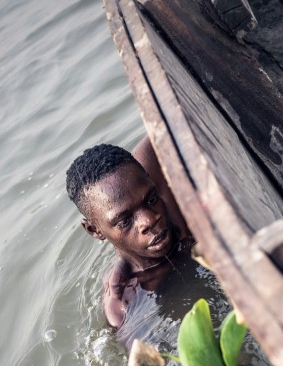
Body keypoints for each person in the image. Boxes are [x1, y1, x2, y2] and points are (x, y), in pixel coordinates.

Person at [66, 137, 194, 330]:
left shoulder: (142, 175)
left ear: (149, 178)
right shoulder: (123, 306)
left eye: (151, 200)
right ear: (95, 230)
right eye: (125, 221)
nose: (149, 220)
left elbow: (171, 116)